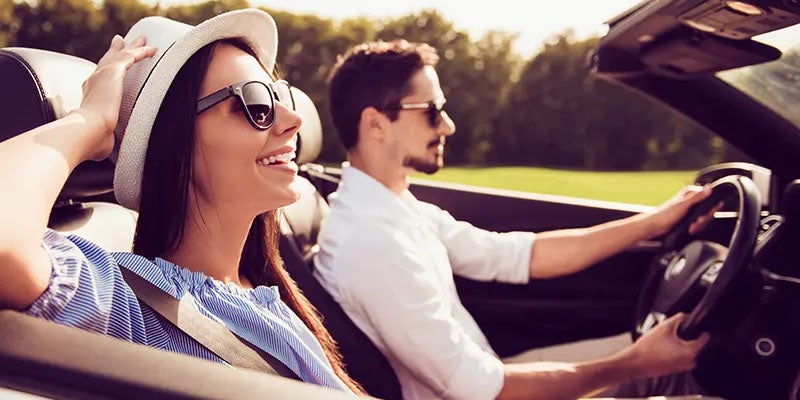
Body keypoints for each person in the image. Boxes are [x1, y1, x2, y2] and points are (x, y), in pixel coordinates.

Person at [314, 39, 713, 399]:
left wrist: (654, 223)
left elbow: (516, 255)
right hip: (492, 390)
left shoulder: (394, 208)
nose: (448, 125)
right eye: (432, 111)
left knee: (665, 361)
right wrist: (637, 363)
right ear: (375, 124)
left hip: (494, 374)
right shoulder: (373, 244)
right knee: (677, 376)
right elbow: (484, 390)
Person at [0, 9, 362, 394]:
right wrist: (89, 121)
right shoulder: (130, 307)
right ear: (176, 148)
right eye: (256, 104)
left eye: (279, 95)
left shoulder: (266, 294)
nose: (293, 119)